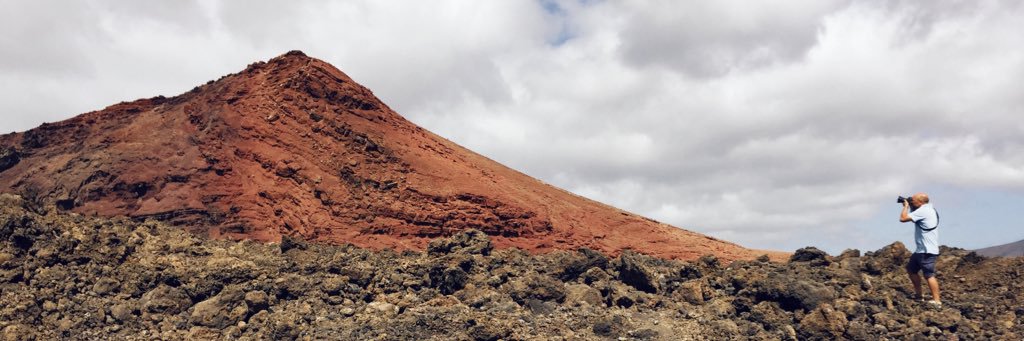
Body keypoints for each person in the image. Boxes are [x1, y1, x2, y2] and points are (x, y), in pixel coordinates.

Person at [899, 192, 941, 307]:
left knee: (928, 275)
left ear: (921, 202)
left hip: (927, 250)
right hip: (920, 250)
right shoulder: (928, 209)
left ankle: (937, 301)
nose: (912, 201)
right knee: (911, 270)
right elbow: (914, 218)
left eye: (913, 200)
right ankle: (919, 296)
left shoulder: (924, 211)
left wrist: (906, 207)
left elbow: (903, 218)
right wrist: (911, 206)